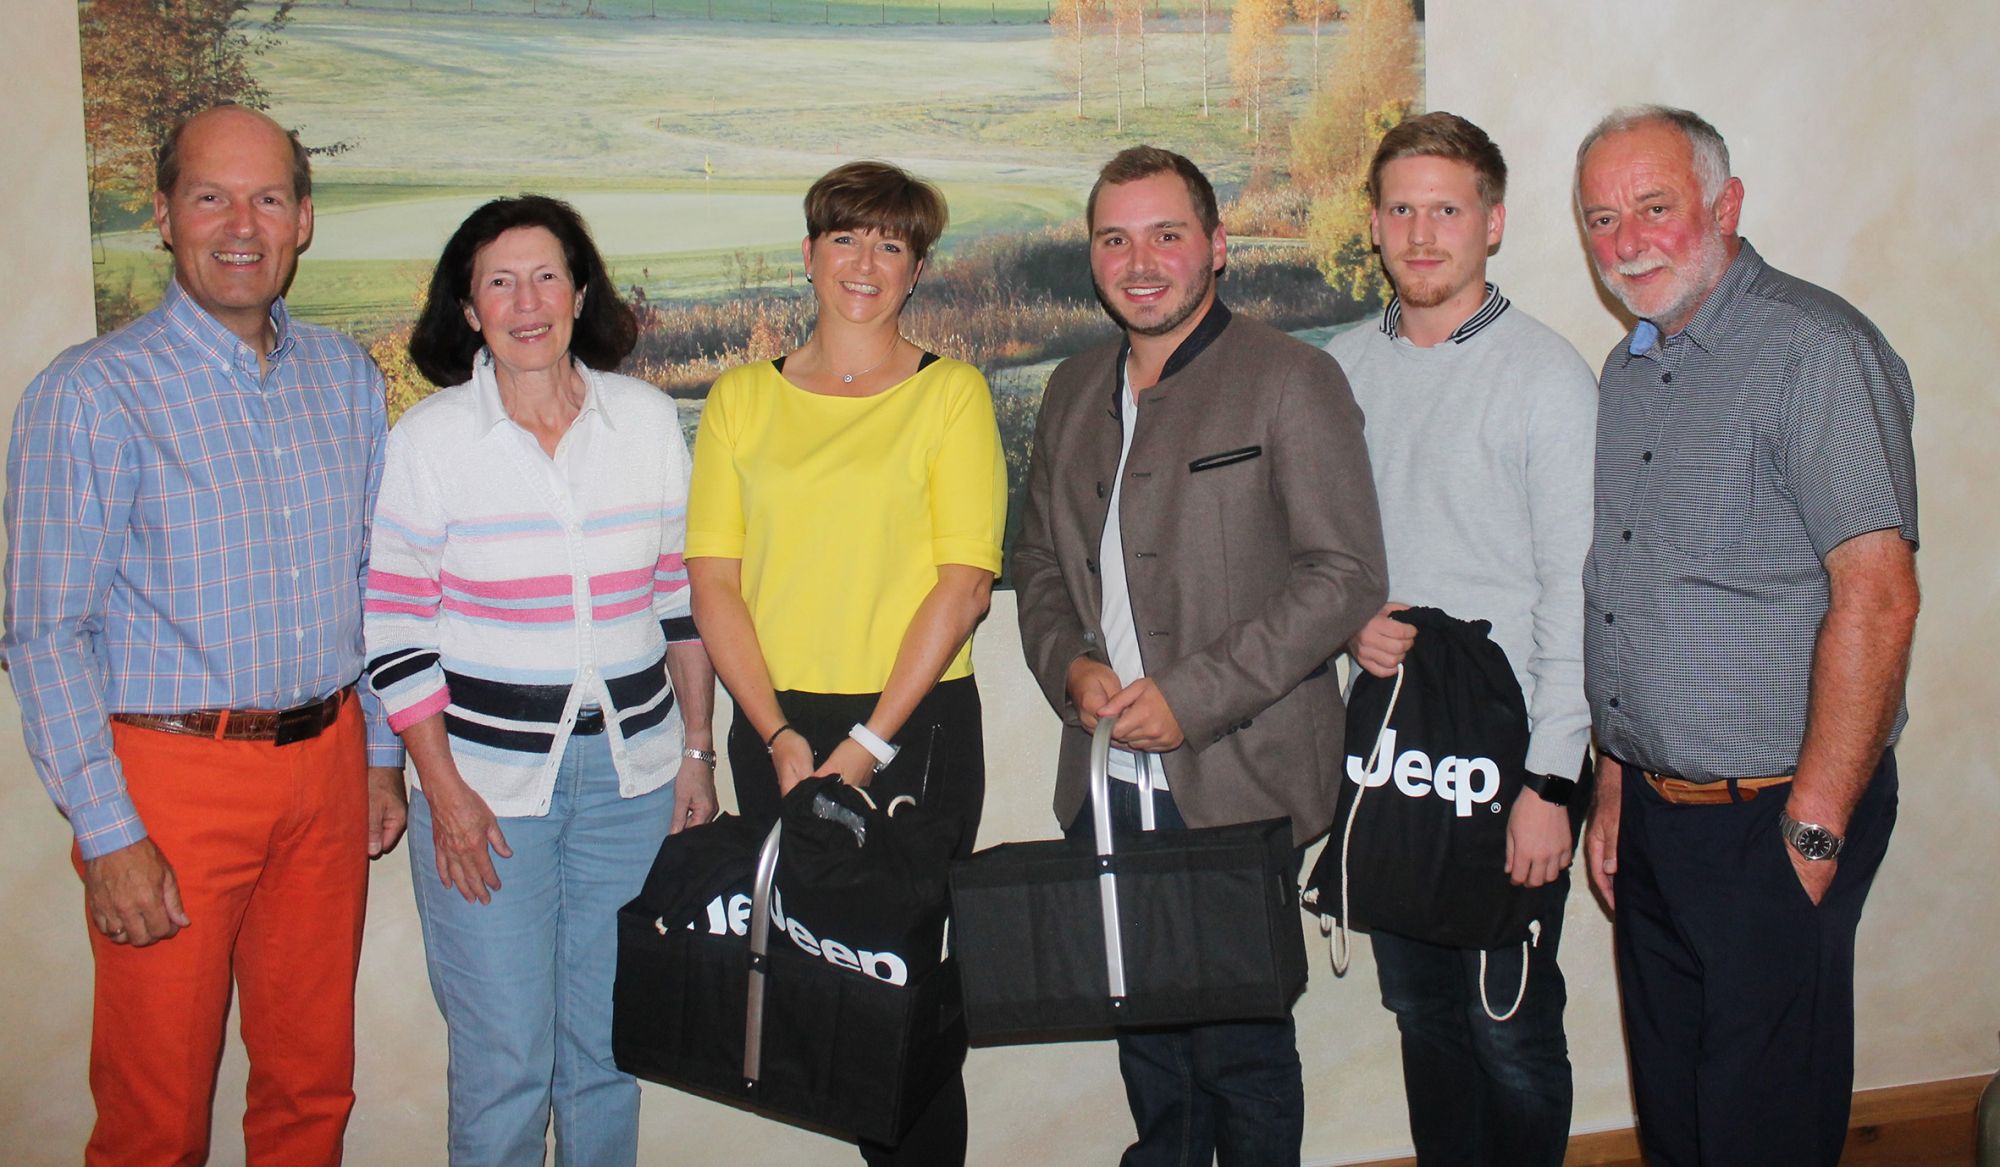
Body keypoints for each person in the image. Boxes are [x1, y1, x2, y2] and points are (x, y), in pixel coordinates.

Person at [2, 104, 406, 1166]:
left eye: (267, 198)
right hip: (169, 786)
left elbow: (371, 581)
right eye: (211, 197)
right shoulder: (91, 394)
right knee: (156, 1116)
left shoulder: (346, 379)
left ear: (303, 219)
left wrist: (377, 754)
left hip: (327, 767)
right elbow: (44, 632)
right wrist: (107, 831)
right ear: (164, 214)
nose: (241, 225)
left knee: (311, 1090)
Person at [1012, 145, 1387, 1167]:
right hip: (1102, 781)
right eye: (1115, 239)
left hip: (1237, 780)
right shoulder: (1069, 389)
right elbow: (1036, 561)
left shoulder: (1291, 378)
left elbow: (1343, 575)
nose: (1140, 262)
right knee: (1148, 1046)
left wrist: (1192, 696)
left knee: (1239, 1054)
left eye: (1166, 235)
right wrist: (1067, 668)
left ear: (1216, 246)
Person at [1575, 106, 1918, 1167]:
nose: (1626, 241)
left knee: (1759, 1126)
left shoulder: (1814, 351)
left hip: (1774, 815)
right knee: (1677, 1117)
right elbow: (1627, 589)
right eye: (1600, 218)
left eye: (1653, 207)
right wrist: (1615, 784)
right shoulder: (1626, 372)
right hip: (1654, 819)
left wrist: (1812, 831)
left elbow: (1878, 598)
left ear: (1725, 206)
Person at [365, 194, 718, 1167]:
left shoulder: (644, 421)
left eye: (547, 277)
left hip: (630, 789)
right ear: (468, 308)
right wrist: (443, 793)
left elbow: (679, 601)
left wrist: (697, 752)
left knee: (607, 1052)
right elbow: (394, 631)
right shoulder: (429, 441)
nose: (527, 303)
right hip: (484, 796)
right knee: (505, 1062)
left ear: (581, 292)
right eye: (500, 282)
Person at [685, 161, 1004, 1167]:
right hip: (774, 728)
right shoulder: (739, 398)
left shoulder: (951, 394)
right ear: (809, 254)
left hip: (913, 729)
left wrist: (864, 746)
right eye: (846, 238)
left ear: (916, 269)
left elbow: (963, 587)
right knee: (818, 989)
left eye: (891, 244)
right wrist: (779, 734)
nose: (866, 261)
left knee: (897, 995)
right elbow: (713, 584)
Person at [1325, 111, 1597, 1167]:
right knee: (1422, 1014)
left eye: (1446, 209)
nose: (1421, 233)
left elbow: (1577, 593)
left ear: (1492, 222)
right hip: (1394, 755)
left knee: (1507, 1027)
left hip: (1513, 762)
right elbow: (1321, 556)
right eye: (1401, 209)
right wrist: (1349, 620)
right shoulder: (1341, 370)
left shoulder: (1545, 377)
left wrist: (1551, 783)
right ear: (1373, 224)